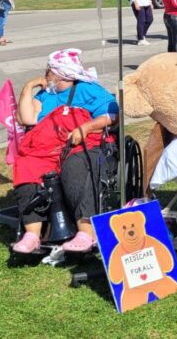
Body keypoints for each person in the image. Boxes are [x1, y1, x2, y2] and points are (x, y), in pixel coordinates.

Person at [11, 49, 119, 254]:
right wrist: (28, 87)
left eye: (49, 71)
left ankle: (86, 232)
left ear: (61, 73)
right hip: (48, 149)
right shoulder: (45, 95)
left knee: (75, 165)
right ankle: (32, 234)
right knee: (26, 165)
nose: (46, 75)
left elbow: (113, 115)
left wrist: (85, 127)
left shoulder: (88, 89)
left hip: (81, 144)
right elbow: (25, 118)